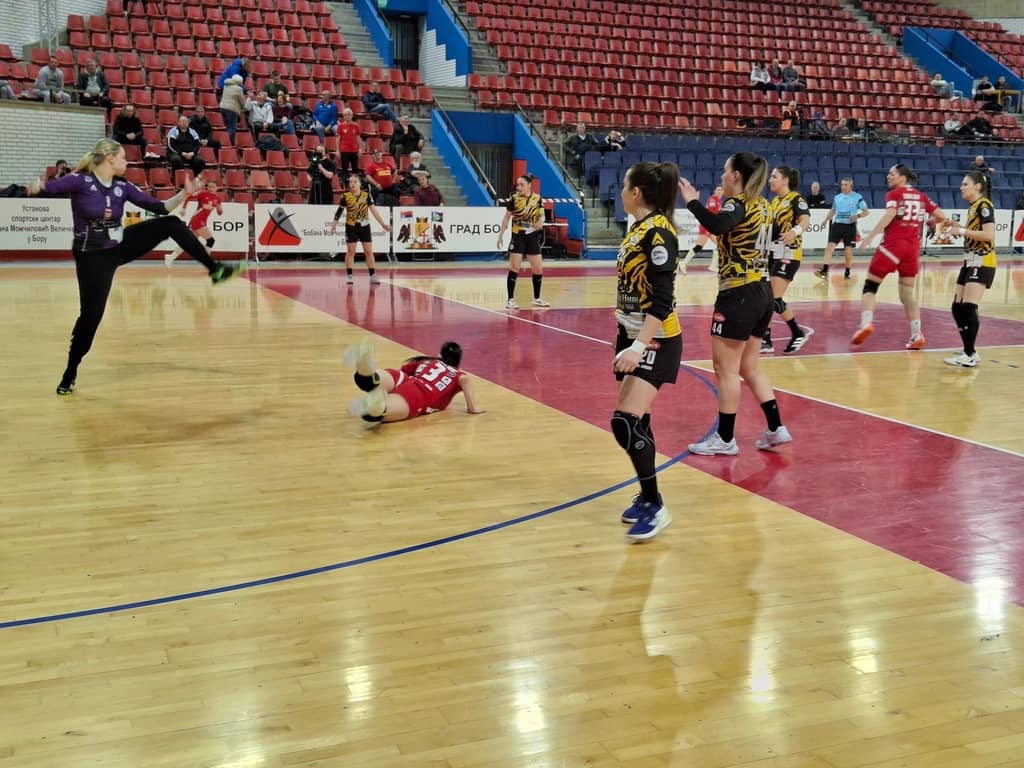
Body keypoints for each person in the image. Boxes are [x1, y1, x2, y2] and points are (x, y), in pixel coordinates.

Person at [27, 139, 241, 396]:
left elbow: (160, 208)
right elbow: (49, 188)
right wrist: (38, 187)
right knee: (90, 318)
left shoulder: (123, 186)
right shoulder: (80, 181)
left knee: (172, 224)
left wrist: (184, 194)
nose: (126, 162)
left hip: (118, 246)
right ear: (109, 158)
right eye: (123, 158)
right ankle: (70, 371)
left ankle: (215, 269)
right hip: (92, 258)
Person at [679, 152, 791, 455]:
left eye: (725, 170)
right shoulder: (764, 205)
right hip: (762, 291)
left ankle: (725, 438)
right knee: (749, 366)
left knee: (725, 369)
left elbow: (718, 225)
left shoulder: (737, 204)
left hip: (738, 293)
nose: (721, 176)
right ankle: (776, 427)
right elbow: (777, 240)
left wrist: (692, 202)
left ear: (736, 176)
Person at [611, 161, 682, 541]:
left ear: (636, 192)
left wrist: (639, 346)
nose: (621, 192)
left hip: (657, 339)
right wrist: (625, 337)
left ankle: (656, 505)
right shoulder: (638, 228)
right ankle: (647, 495)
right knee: (637, 421)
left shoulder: (658, 232)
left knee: (624, 421)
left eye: (624, 186)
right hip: (631, 334)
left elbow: (662, 300)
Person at [851, 164, 948, 349]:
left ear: (902, 178)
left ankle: (865, 324)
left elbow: (890, 213)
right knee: (907, 294)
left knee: (870, 286)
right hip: (912, 250)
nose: (888, 177)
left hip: (893, 245)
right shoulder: (921, 196)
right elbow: (941, 216)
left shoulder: (894, 194)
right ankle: (916, 334)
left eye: (892, 174)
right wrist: (930, 221)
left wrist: (870, 237)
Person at [344, 340, 484, 423]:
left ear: (440, 355)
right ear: (458, 362)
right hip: (418, 394)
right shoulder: (457, 374)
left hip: (404, 379)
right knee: (375, 414)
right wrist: (473, 408)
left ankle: (365, 369)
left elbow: (403, 371)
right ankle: (372, 406)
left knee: (367, 381)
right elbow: (465, 380)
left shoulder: (428, 361)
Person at [941, 171, 997, 367]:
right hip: (970, 261)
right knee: (957, 307)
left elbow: (989, 235)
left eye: (965, 184)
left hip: (983, 260)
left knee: (968, 307)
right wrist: (956, 226)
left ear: (977, 187)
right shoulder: (974, 207)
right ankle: (968, 349)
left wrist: (962, 230)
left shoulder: (984, 206)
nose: (961, 187)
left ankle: (970, 353)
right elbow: (975, 232)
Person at [763, 165, 812, 354]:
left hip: (789, 254)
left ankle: (795, 333)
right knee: (768, 297)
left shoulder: (796, 199)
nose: (770, 180)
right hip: (774, 253)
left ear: (785, 180)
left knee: (771, 297)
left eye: (774, 176)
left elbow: (805, 221)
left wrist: (794, 231)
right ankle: (767, 339)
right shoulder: (775, 201)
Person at [497, 174, 549, 309]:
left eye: (521, 185)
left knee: (538, 269)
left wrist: (540, 221)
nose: (518, 187)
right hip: (518, 236)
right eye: (517, 185)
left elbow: (542, 215)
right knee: (514, 268)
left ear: (529, 185)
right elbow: (507, 217)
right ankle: (510, 300)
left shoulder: (537, 198)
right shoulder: (514, 199)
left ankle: (537, 298)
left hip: (532, 236)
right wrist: (501, 235)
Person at [330, 174, 392, 284]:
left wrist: (383, 224)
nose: (352, 184)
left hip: (365, 227)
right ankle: (349, 275)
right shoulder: (345, 196)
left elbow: (374, 211)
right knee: (351, 252)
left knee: (368, 251)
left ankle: (372, 275)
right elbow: (340, 211)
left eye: (355, 182)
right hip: (351, 227)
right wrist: (334, 223)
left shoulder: (366, 196)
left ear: (359, 184)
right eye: (351, 182)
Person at [815, 178, 869, 280]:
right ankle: (824, 271)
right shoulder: (837, 197)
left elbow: (866, 212)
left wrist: (858, 216)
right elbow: (833, 210)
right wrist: (825, 220)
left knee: (848, 251)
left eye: (846, 185)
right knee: (830, 247)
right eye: (842, 185)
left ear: (851, 186)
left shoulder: (857, 197)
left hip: (849, 227)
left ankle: (847, 272)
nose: (843, 187)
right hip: (837, 225)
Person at [165, 178, 224, 267]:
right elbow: (188, 197)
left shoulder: (218, 198)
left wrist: (219, 209)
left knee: (188, 242)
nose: (211, 188)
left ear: (217, 188)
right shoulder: (203, 193)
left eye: (213, 187)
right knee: (210, 240)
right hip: (197, 220)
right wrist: (184, 208)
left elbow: (220, 213)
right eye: (209, 187)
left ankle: (170, 257)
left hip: (203, 221)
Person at [679, 185, 722, 274]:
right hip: (707, 226)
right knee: (702, 246)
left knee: (717, 245)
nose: (719, 191)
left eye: (721, 190)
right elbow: (710, 214)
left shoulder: (718, 200)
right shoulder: (713, 200)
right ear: (715, 191)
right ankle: (683, 263)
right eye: (718, 190)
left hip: (709, 226)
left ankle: (713, 266)